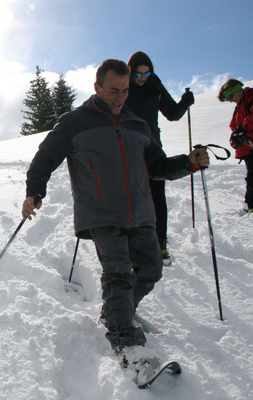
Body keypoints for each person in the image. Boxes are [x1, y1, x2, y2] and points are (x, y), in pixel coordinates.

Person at [22, 59, 209, 356]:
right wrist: (34, 191)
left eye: (124, 90)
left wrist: (189, 163)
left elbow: (158, 166)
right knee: (118, 274)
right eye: (113, 90)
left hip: (141, 212)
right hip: (101, 213)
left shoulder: (138, 125)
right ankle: (126, 342)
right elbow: (45, 157)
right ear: (96, 87)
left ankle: (115, 311)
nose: (120, 96)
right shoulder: (76, 121)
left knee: (151, 269)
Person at [125, 51, 195, 260]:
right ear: (130, 72)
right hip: (127, 148)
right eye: (139, 74)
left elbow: (172, 114)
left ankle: (159, 244)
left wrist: (184, 103)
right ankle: (129, 244)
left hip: (153, 147)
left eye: (147, 73)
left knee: (157, 196)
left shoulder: (154, 85)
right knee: (130, 196)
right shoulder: (124, 87)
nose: (143, 78)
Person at [218, 79, 253, 212]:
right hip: (248, 147)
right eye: (227, 99)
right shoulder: (239, 107)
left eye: (230, 97)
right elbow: (234, 126)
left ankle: (251, 205)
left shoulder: (251, 98)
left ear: (236, 90)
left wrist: (242, 129)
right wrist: (236, 137)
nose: (230, 101)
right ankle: (250, 205)